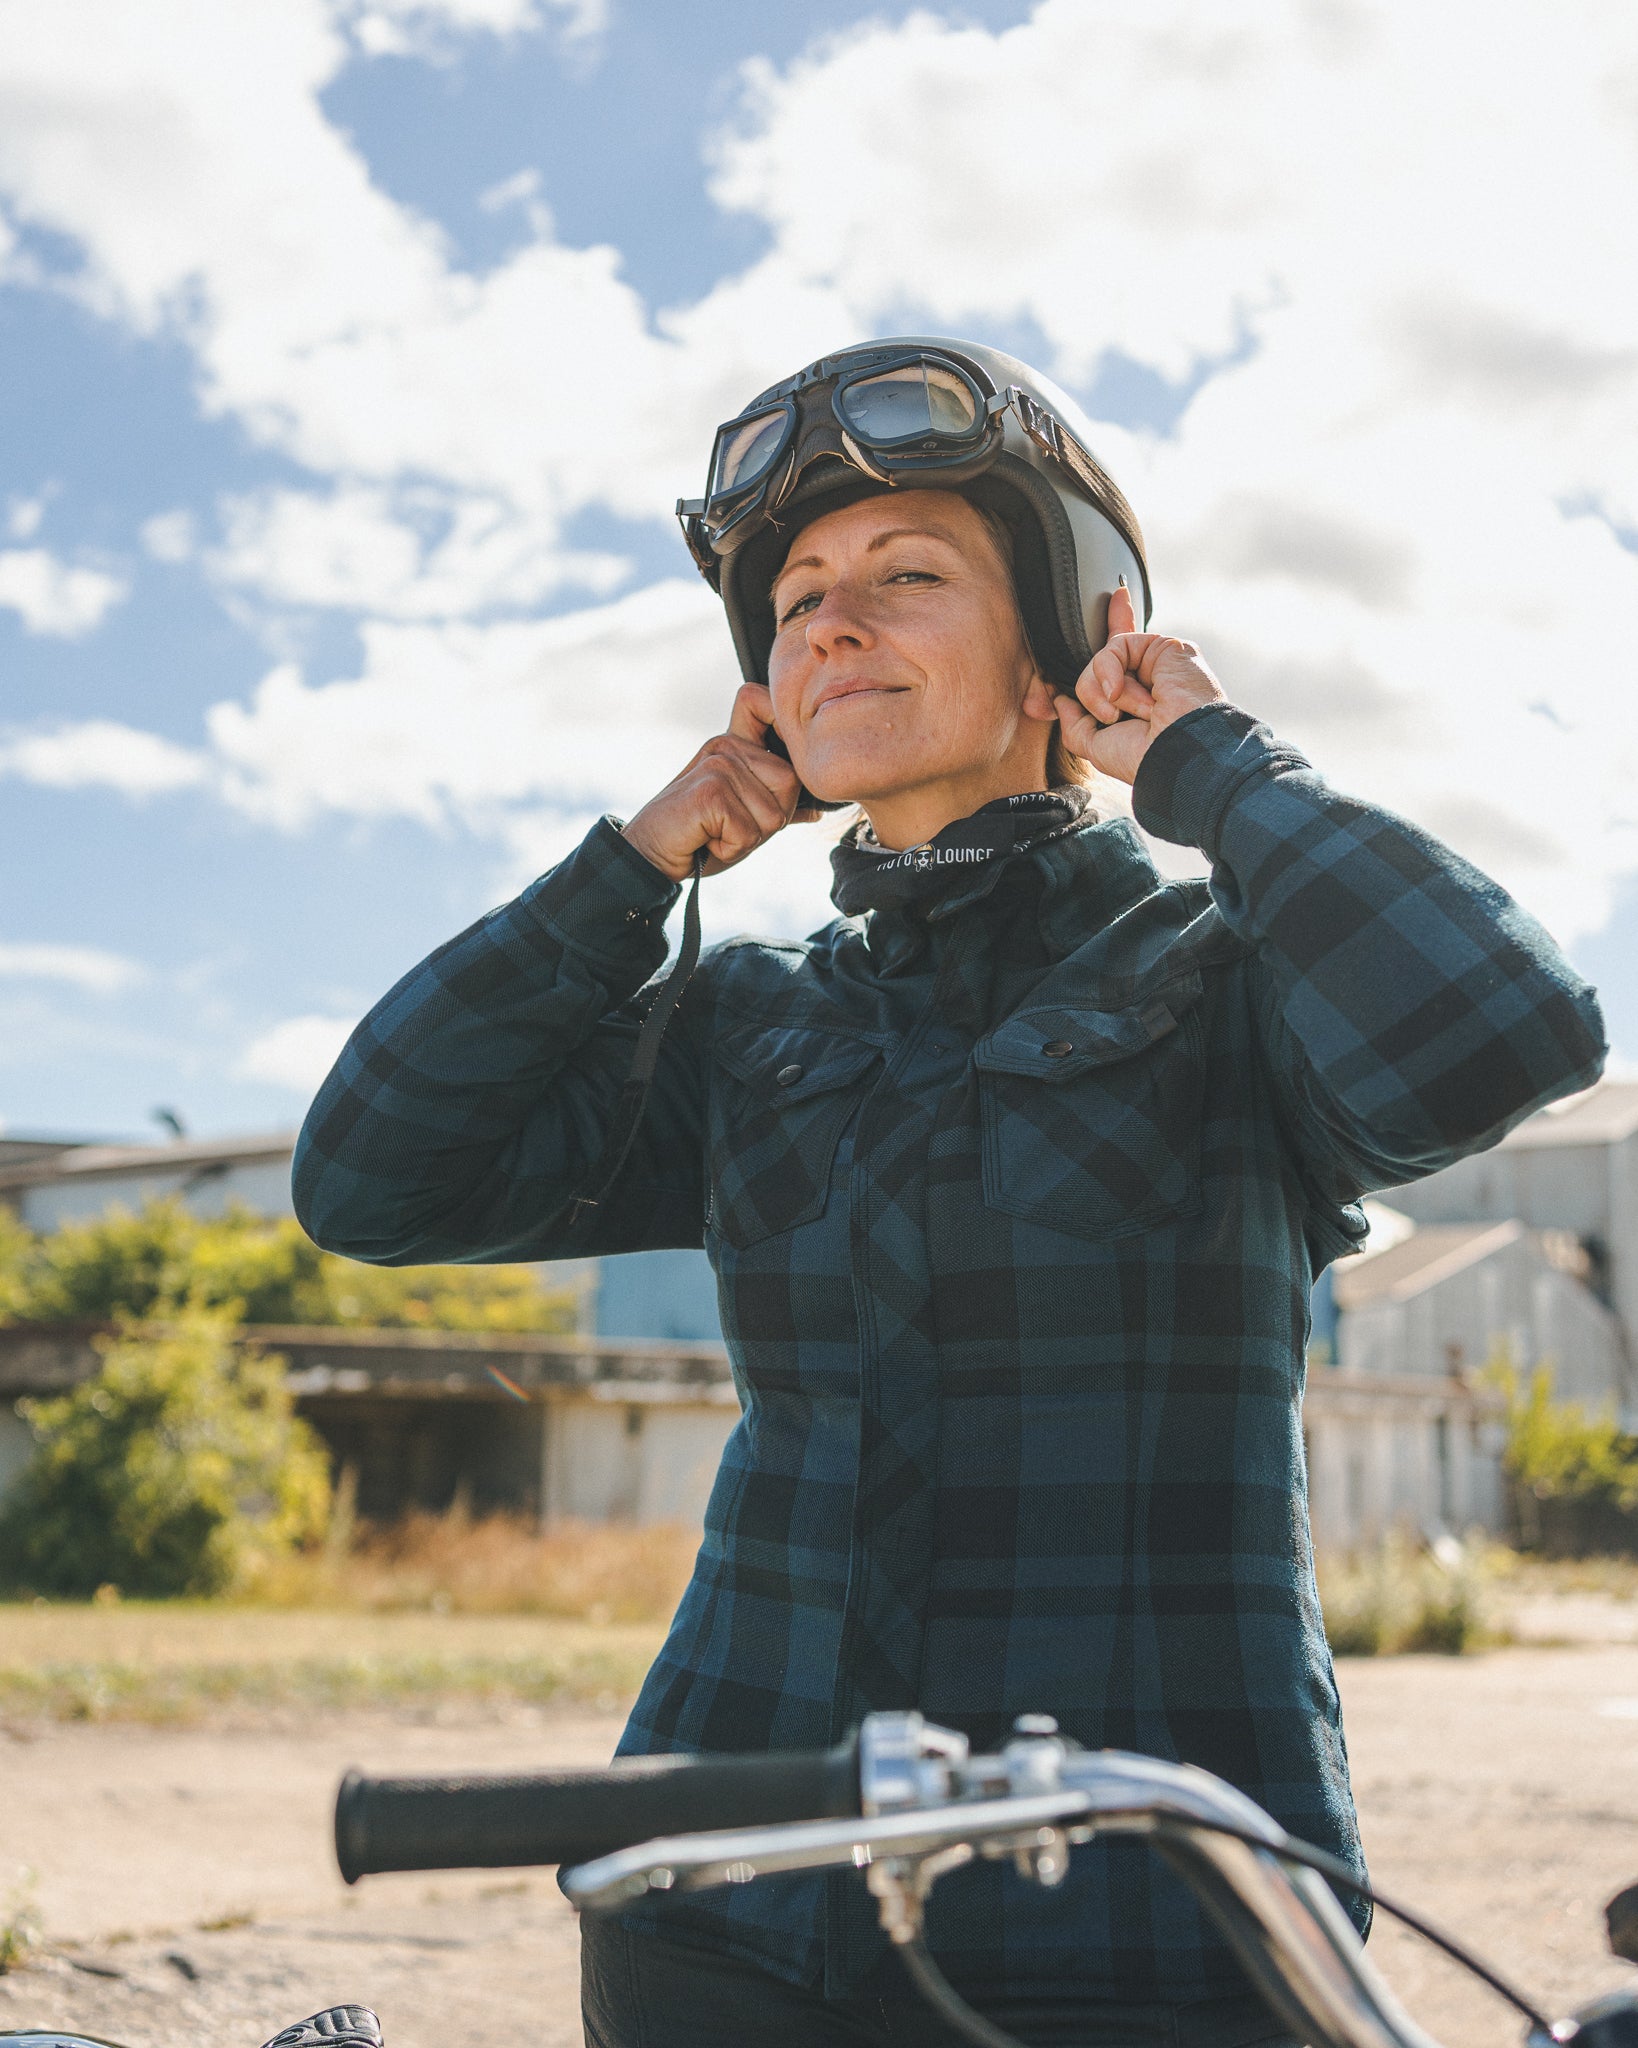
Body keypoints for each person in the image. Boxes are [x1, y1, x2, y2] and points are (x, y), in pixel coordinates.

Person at [294, 339, 1605, 2048]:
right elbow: (374, 1176)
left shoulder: (1233, 987)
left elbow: (1504, 1027)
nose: (830, 624)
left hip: (1156, 1919)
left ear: (1075, 635)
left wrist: (1211, 764)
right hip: (726, 1893)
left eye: (905, 576)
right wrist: (621, 878)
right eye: (798, 600)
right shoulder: (745, 1026)